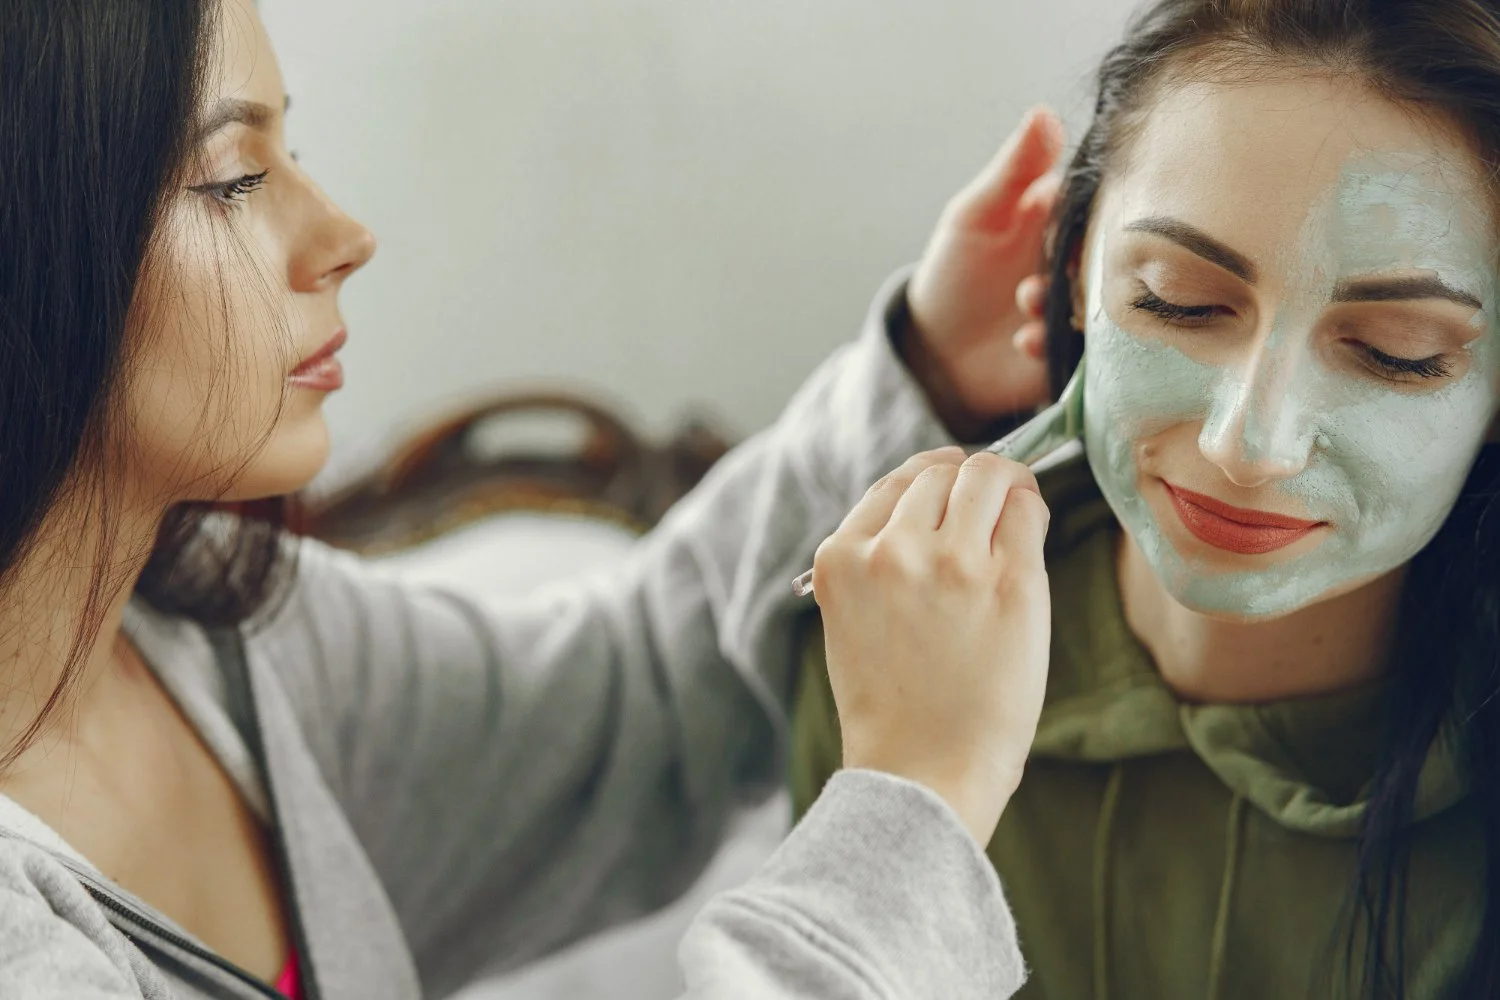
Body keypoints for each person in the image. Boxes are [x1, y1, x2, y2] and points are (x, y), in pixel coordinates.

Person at [0, 1, 1065, 998]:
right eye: (235, 177)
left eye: (295, 153)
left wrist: (923, 371)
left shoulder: (225, 639)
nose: (341, 236)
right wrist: (915, 806)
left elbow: (621, 711)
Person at [792, 1, 1500, 997]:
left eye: (1398, 353)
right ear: (1071, 273)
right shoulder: (888, 650)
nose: (1246, 444)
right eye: (1179, 297)